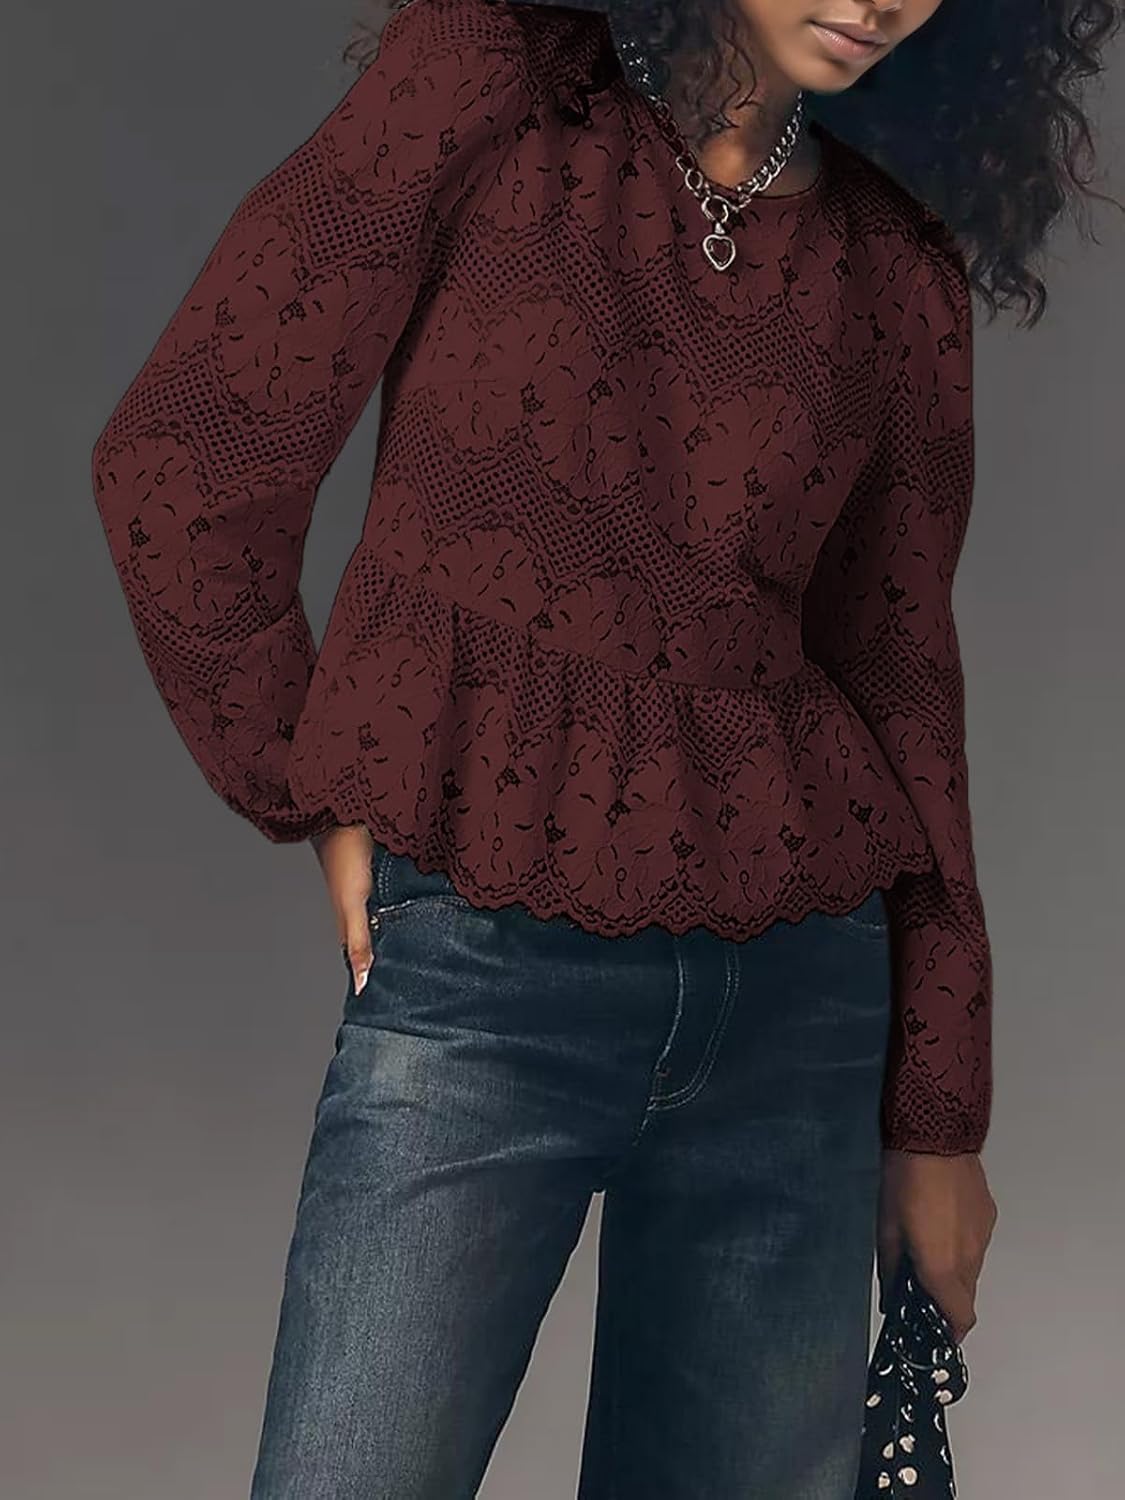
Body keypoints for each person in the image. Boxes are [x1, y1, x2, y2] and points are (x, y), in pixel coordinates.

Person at [88, 0, 1120, 1494]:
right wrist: (311, 785)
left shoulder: (892, 264)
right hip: (485, 973)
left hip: (801, 1013)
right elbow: (182, 457)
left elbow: (903, 693)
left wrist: (938, 1119)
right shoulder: (491, 88)